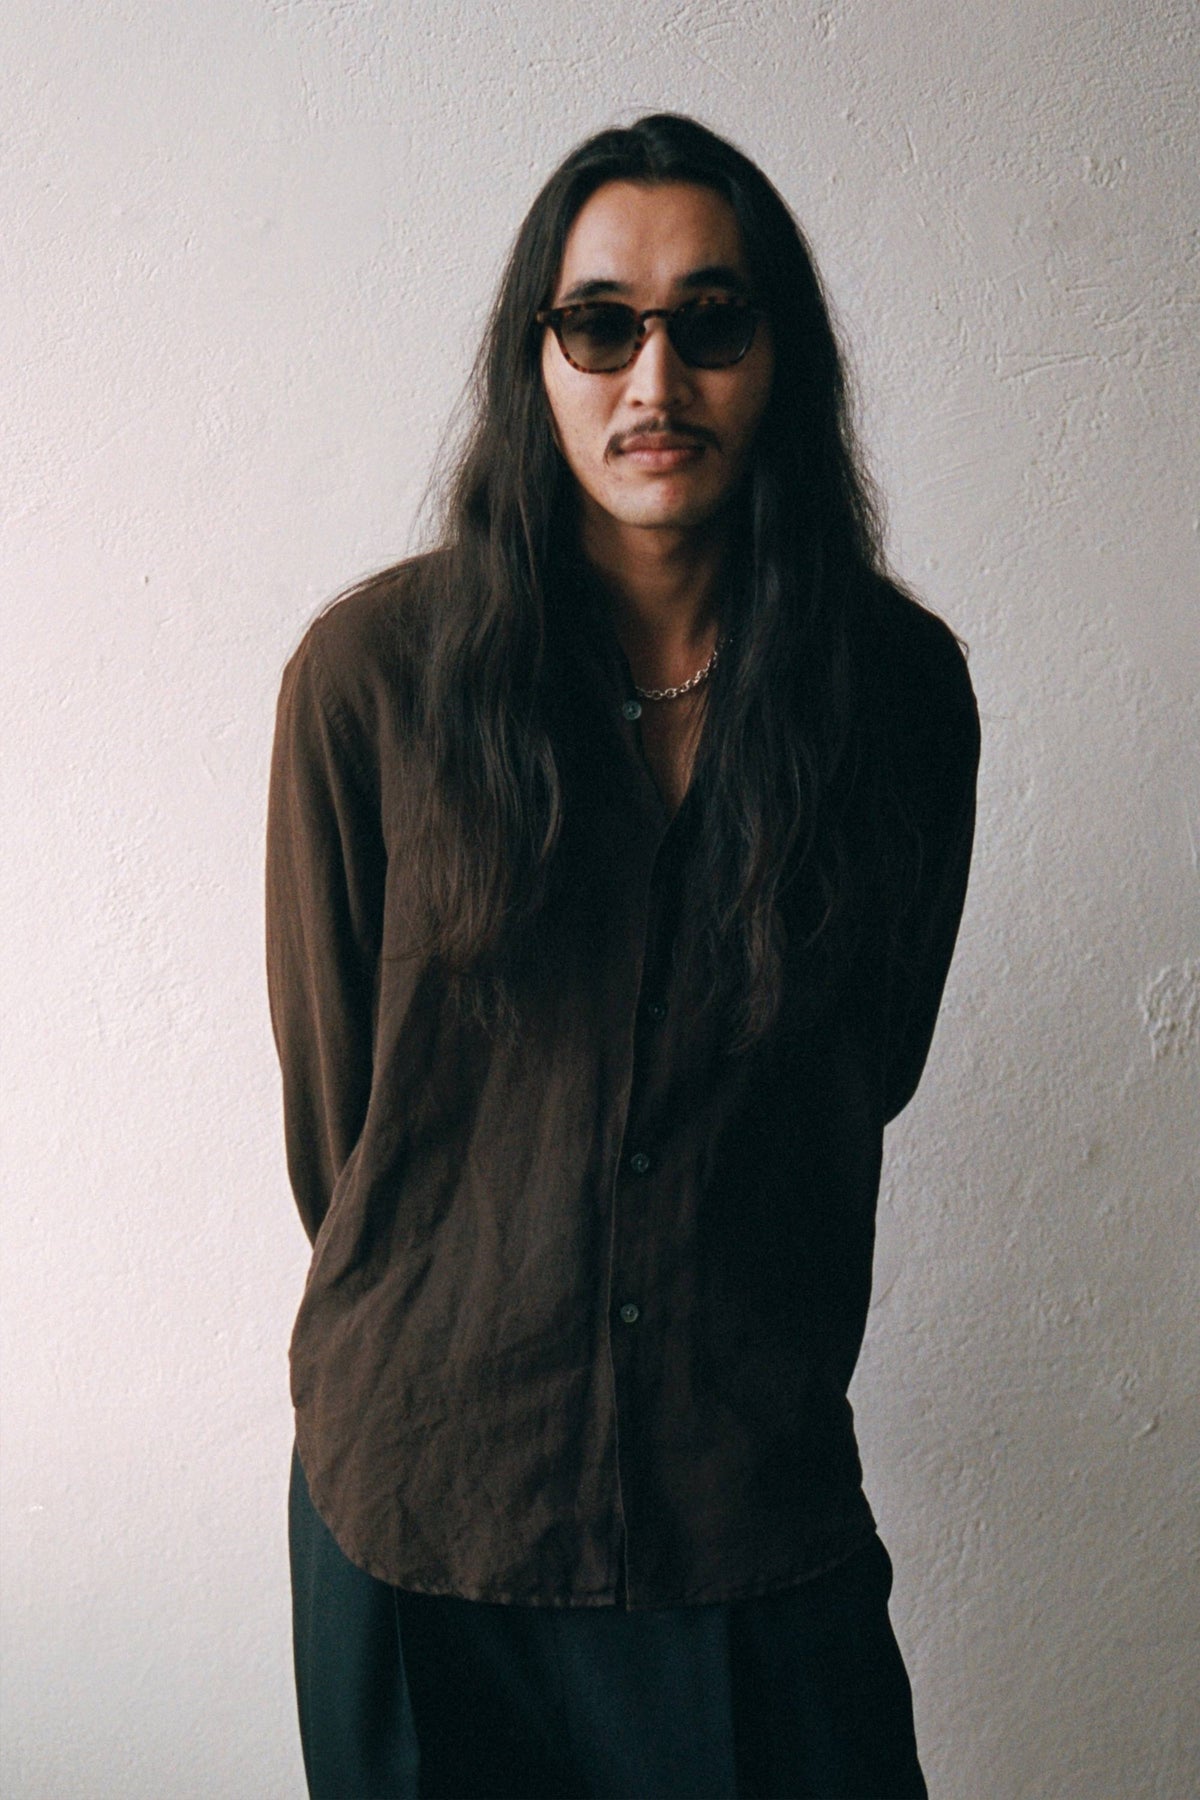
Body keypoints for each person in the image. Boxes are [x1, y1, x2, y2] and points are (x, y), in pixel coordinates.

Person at [266, 111, 979, 1800]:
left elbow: (872, 1066)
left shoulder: (893, 698)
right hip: (427, 1511)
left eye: (711, 322)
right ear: (539, 358)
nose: (656, 378)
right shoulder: (372, 684)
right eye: (601, 325)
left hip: (750, 1514)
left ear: (780, 358)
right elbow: (343, 1132)